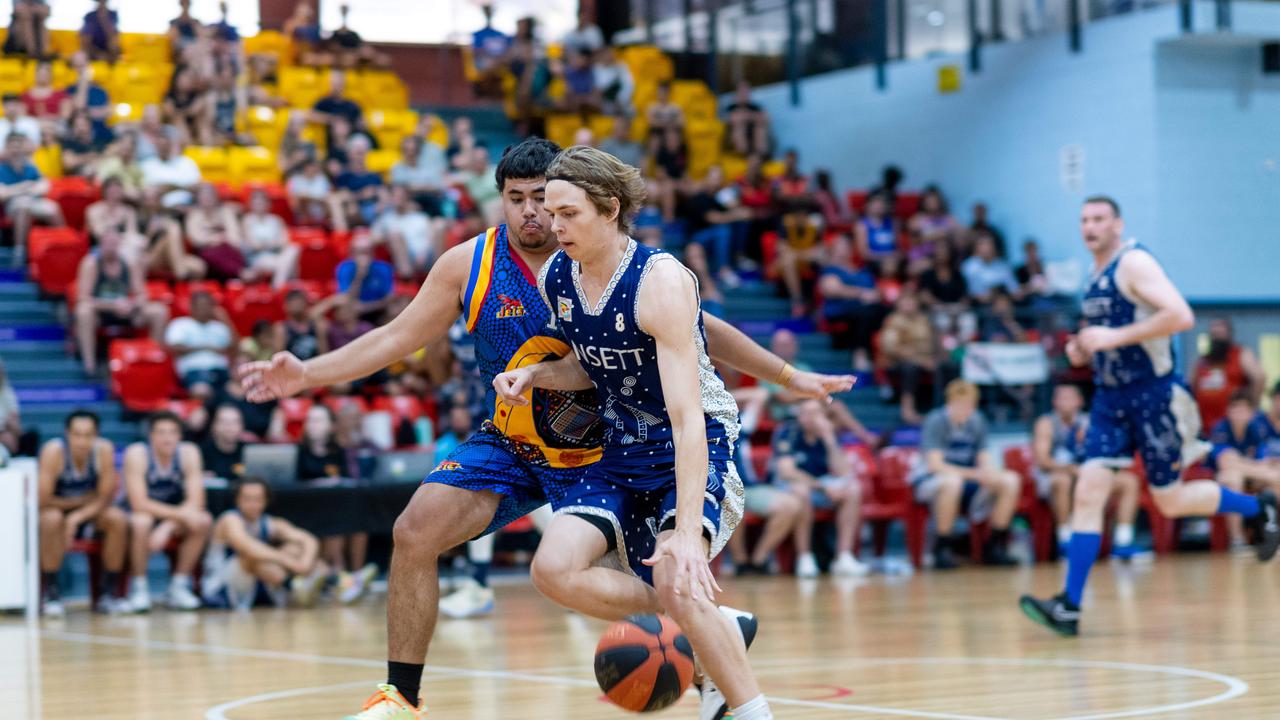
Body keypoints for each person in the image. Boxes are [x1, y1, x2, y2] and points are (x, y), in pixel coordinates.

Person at [240, 138, 850, 718]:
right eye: (519, 199)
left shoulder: (618, 266)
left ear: (580, 198)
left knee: (661, 571)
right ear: (501, 198)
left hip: (604, 442)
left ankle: (709, 636)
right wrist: (308, 374)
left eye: (546, 199)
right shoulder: (473, 264)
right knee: (415, 529)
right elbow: (396, 338)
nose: (535, 213)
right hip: (515, 440)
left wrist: (784, 374)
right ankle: (400, 699)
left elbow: (699, 328)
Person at [495, 145, 774, 720]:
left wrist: (687, 531)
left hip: (691, 443)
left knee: (679, 573)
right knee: (552, 570)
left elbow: (687, 414)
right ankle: (714, 623)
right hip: (621, 448)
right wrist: (538, 373)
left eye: (568, 213)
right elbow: (589, 363)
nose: (552, 224)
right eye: (550, 211)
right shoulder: (558, 276)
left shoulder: (661, 281)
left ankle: (751, 710)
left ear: (609, 209)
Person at [1019, 196, 1280, 637]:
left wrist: (1114, 336)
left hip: (1155, 397)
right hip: (1109, 399)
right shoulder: (1093, 273)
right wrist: (1082, 346)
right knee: (1088, 490)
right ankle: (1070, 605)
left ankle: (1259, 507)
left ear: (1118, 225)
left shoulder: (1133, 263)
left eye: (1099, 219)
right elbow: (1107, 336)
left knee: (1170, 500)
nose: (1090, 227)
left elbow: (1180, 315)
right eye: (1084, 220)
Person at [909, 380, 1020, 569]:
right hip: (929, 481)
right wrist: (974, 474)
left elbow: (984, 457)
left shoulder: (976, 421)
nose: (964, 409)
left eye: (968, 405)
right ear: (949, 403)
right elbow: (935, 465)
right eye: (959, 405)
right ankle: (942, 548)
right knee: (952, 482)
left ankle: (995, 545)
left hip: (967, 480)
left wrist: (989, 473)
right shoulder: (937, 420)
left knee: (1010, 480)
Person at [37, 410, 130, 615]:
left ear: (96, 435)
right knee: (51, 518)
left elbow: (105, 497)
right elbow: (42, 500)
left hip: (89, 514)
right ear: (67, 434)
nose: (82, 441)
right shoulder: (53, 452)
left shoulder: (104, 450)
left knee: (117, 518)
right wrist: (78, 503)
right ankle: (51, 593)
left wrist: (77, 516)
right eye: (77, 434)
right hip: (58, 514)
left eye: (88, 435)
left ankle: (108, 592)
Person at [1033, 384, 1141, 556]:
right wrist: (1070, 468)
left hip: (1086, 474)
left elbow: (1104, 454)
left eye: (1070, 398)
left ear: (1080, 402)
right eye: (1062, 398)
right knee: (1063, 481)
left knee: (1129, 482)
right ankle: (1065, 539)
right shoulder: (1046, 423)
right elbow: (1042, 461)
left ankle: (1123, 541)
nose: (1066, 402)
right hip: (1055, 476)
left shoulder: (1090, 422)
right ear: (1054, 402)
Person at [121, 411, 211, 612]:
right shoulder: (137, 453)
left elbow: (197, 501)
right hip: (137, 515)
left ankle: (178, 586)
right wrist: (171, 521)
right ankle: (139, 588)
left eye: (172, 432)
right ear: (151, 436)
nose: (167, 438)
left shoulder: (189, 452)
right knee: (141, 521)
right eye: (161, 433)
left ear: (180, 436)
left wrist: (167, 527)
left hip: (171, 517)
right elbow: (139, 503)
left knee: (202, 520)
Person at [772, 399, 870, 577]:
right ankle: (805, 557)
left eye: (816, 413)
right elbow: (787, 472)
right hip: (790, 486)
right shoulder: (788, 432)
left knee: (853, 489)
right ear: (799, 415)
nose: (811, 418)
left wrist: (829, 438)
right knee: (802, 491)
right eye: (807, 413)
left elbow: (844, 472)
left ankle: (844, 557)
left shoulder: (826, 434)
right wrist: (824, 488)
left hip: (821, 484)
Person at [203, 477, 330, 610]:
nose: (253, 504)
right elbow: (248, 548)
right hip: (223, 587)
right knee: (253, 556)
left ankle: (307, 586)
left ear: (266, 501)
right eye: (247, 499)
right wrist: (292, 563)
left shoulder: (269, 522)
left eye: (257, 499)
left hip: (257, 584)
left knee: (296, 549)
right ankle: (295, 587)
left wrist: (305, 564)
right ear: (237, 500)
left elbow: (308, 539)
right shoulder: (229, 519)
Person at [296, 403, 376, 604]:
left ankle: (349, 574)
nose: (314, 425)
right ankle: (342, 576)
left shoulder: (338, 451)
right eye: (311, 420)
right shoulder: (298, 452)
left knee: (351, 515)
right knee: (333, 522)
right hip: (306, 509)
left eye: (319, 420)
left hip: (332, 507)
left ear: (331, 426)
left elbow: (347, 480)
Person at [73, 229, 170, 375]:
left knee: (159, 311)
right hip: (100, 313)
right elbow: (83, 298)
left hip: (126, 311)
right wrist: (111, 305)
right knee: (83, 311)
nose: (111, 248)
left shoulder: (128, 263)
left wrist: (131, 304)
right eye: (108, 244)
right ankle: (89, 365)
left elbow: (142, 294)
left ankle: (152, 358)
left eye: (114, 244)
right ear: (100, 244)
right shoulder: (91, 263)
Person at [1208, 391, 1280, 547]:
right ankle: (1237, 539)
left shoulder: (1255, 430)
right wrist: (1257, 468)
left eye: (1243, 410)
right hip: (1219, 478)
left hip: (1250, 476)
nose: (1238, 414)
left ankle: (1273, 535)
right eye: (1235, 409)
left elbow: (1263, 460)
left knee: (1276, 479)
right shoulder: (1221, 428)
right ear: (1228, 411)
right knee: (1233, 479)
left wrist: (1257, 467)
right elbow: (1226, 462)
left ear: (1251, 413)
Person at [819, 234, 885, 371]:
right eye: (840, 246)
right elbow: (831, 289)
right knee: (866, 313)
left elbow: (877, 292)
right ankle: (859, 353)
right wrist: (862, 294)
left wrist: (873, 295)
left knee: (883, 311)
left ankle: (884, 357)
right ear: (832, 249)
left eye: (847, 246)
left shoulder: (862, 270)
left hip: (868, 310)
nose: (844, 249)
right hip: (841, 311)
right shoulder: (830, 269)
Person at [1, 131, 65, 264]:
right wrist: (24, 187)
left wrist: (23, 190)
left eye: (18, 146)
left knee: (53, 208)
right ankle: (20, 252)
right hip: (12, 206)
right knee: (22, 206)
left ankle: (63, 243)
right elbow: (2, 195)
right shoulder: (2, 169)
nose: (16, 150)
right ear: (6, 148)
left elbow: (44, 186)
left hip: (33, 200)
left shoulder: (31, 168)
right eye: (12, 146)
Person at [1190, 317, 1265, 430]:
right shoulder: (1202, 361)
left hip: (1233, 428)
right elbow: (1191, 385)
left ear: (1229, 334)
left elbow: (1260, 377)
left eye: (1220, 333)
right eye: (1214, 333)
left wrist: (1252, 407)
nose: (1217, 337)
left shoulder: (1240, 354)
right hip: (1205, 426)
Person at [878, 291, 940, 425]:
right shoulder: (893, 320)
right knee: (910, 368)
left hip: (926, 360)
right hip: (897, 363)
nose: (909, 305)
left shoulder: (924, 320)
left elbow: (934, 343)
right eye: (905, 302)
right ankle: (907, 411)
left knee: (947, 366)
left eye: (911, 302)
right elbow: (891, 348)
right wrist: (921, 360)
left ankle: (943, 409)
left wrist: (936, 357)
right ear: (898, 304)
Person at [164, 290, 234, 400]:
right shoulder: (180, 324)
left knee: (236, 391)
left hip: (221, 371)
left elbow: (234, 349)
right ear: (192, 306)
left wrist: (226, 319)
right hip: (194, 372)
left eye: (207, 305)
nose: (204, 308)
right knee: (201, 391)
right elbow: (175, 348)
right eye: (200, 305)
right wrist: (204, 347)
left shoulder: (220, 327)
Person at [373, 185, 441, 279]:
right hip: (404, 257)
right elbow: (374, 238)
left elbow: (431, 237)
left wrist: (423, 254)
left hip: (426, 255)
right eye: (395, 196)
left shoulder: (420, 217)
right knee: (395, 233)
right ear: (391, 198)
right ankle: (407, 278)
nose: (398, 199)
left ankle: (441, 272)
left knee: (439, 224)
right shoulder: (386, 219)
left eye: (401, 196)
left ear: (407, 198)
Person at [186, 182, 246, 281]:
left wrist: (222, 239)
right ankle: (240, 274)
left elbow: (234, 234)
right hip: (206, 252)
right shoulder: (194, 215)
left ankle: (236, 279)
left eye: (210, 195)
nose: (207, 198)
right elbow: (196, 239)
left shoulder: (226, 212)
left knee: (232, 250)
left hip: (227, 247)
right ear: (198, 198)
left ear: (216, 197)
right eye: (203, 195)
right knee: (210, 254)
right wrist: (217, 238)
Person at [241, 188, 299, 289]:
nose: (259, 205)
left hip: (278, 256)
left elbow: (285, 242)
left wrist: (266, 244)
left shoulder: (277, 220)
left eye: (262, 202)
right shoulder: (247, 220)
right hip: (258, 258)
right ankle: (279, 288)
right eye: (256, 203)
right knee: (288, 264)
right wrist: (274, 244)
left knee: (294, 248)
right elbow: (254, 246)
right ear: (251, 204)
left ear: (268, 204)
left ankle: (277, 286)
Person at [140, 133, 201, 209]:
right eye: (160, 145)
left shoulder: (186, 162)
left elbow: (196, 187)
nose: (163, 148)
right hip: (161, 208)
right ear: (155, 146)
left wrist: (171, 187)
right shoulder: (147, 166)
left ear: (171, 145)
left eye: (165, 145)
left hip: (188, 205)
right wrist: (182, 186)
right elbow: (148, 191)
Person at [960, 234, 1019, 304]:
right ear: (976, 248)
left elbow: (1014, 290)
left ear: (994, 248)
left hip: (1002, 301)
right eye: (982, 245)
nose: (986, 248)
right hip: (976, 305)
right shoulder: (968, 267)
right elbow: (967, 291)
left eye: (989, 245)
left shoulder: (1003, 266)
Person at [276, 288, 328, 361]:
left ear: (306, 303)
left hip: (314, 368)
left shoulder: (317, 325)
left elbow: (324, 354)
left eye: (299, 301)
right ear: (286, 306)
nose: (297, 304)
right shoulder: (281, 329)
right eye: (293, 301)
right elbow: (278, 359)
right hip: (292, 370)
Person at [201, 403, 247, 482]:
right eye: (223, 421)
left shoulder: (250, 451)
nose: (229, 426)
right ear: (213, 426)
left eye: (235, 422)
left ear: (242, 426)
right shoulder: (200, 452)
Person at [854, 191, 899, 271]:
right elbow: (863, 253)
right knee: (889, 265)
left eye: (882, 202)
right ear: (867, 205)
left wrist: (895, 256)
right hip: (873, 262)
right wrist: (885, 256)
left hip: (893, 260)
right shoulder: (861, 225)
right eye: (876, 202)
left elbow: (897, 248)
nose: (879, 205)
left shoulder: (893, 223)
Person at [724, 81, 770, 157]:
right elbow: (729, 119)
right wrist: (752, 116)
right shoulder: (731, 107)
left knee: (760, 127)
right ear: (737, 93)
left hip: (753, 135)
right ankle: (742, 155)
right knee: (739, 127)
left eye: (746, 91)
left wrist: (745, 115)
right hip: (734, 139)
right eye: (741, 91)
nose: (744, 94)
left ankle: (761, 155)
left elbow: (767, 119)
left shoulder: (755, 107)